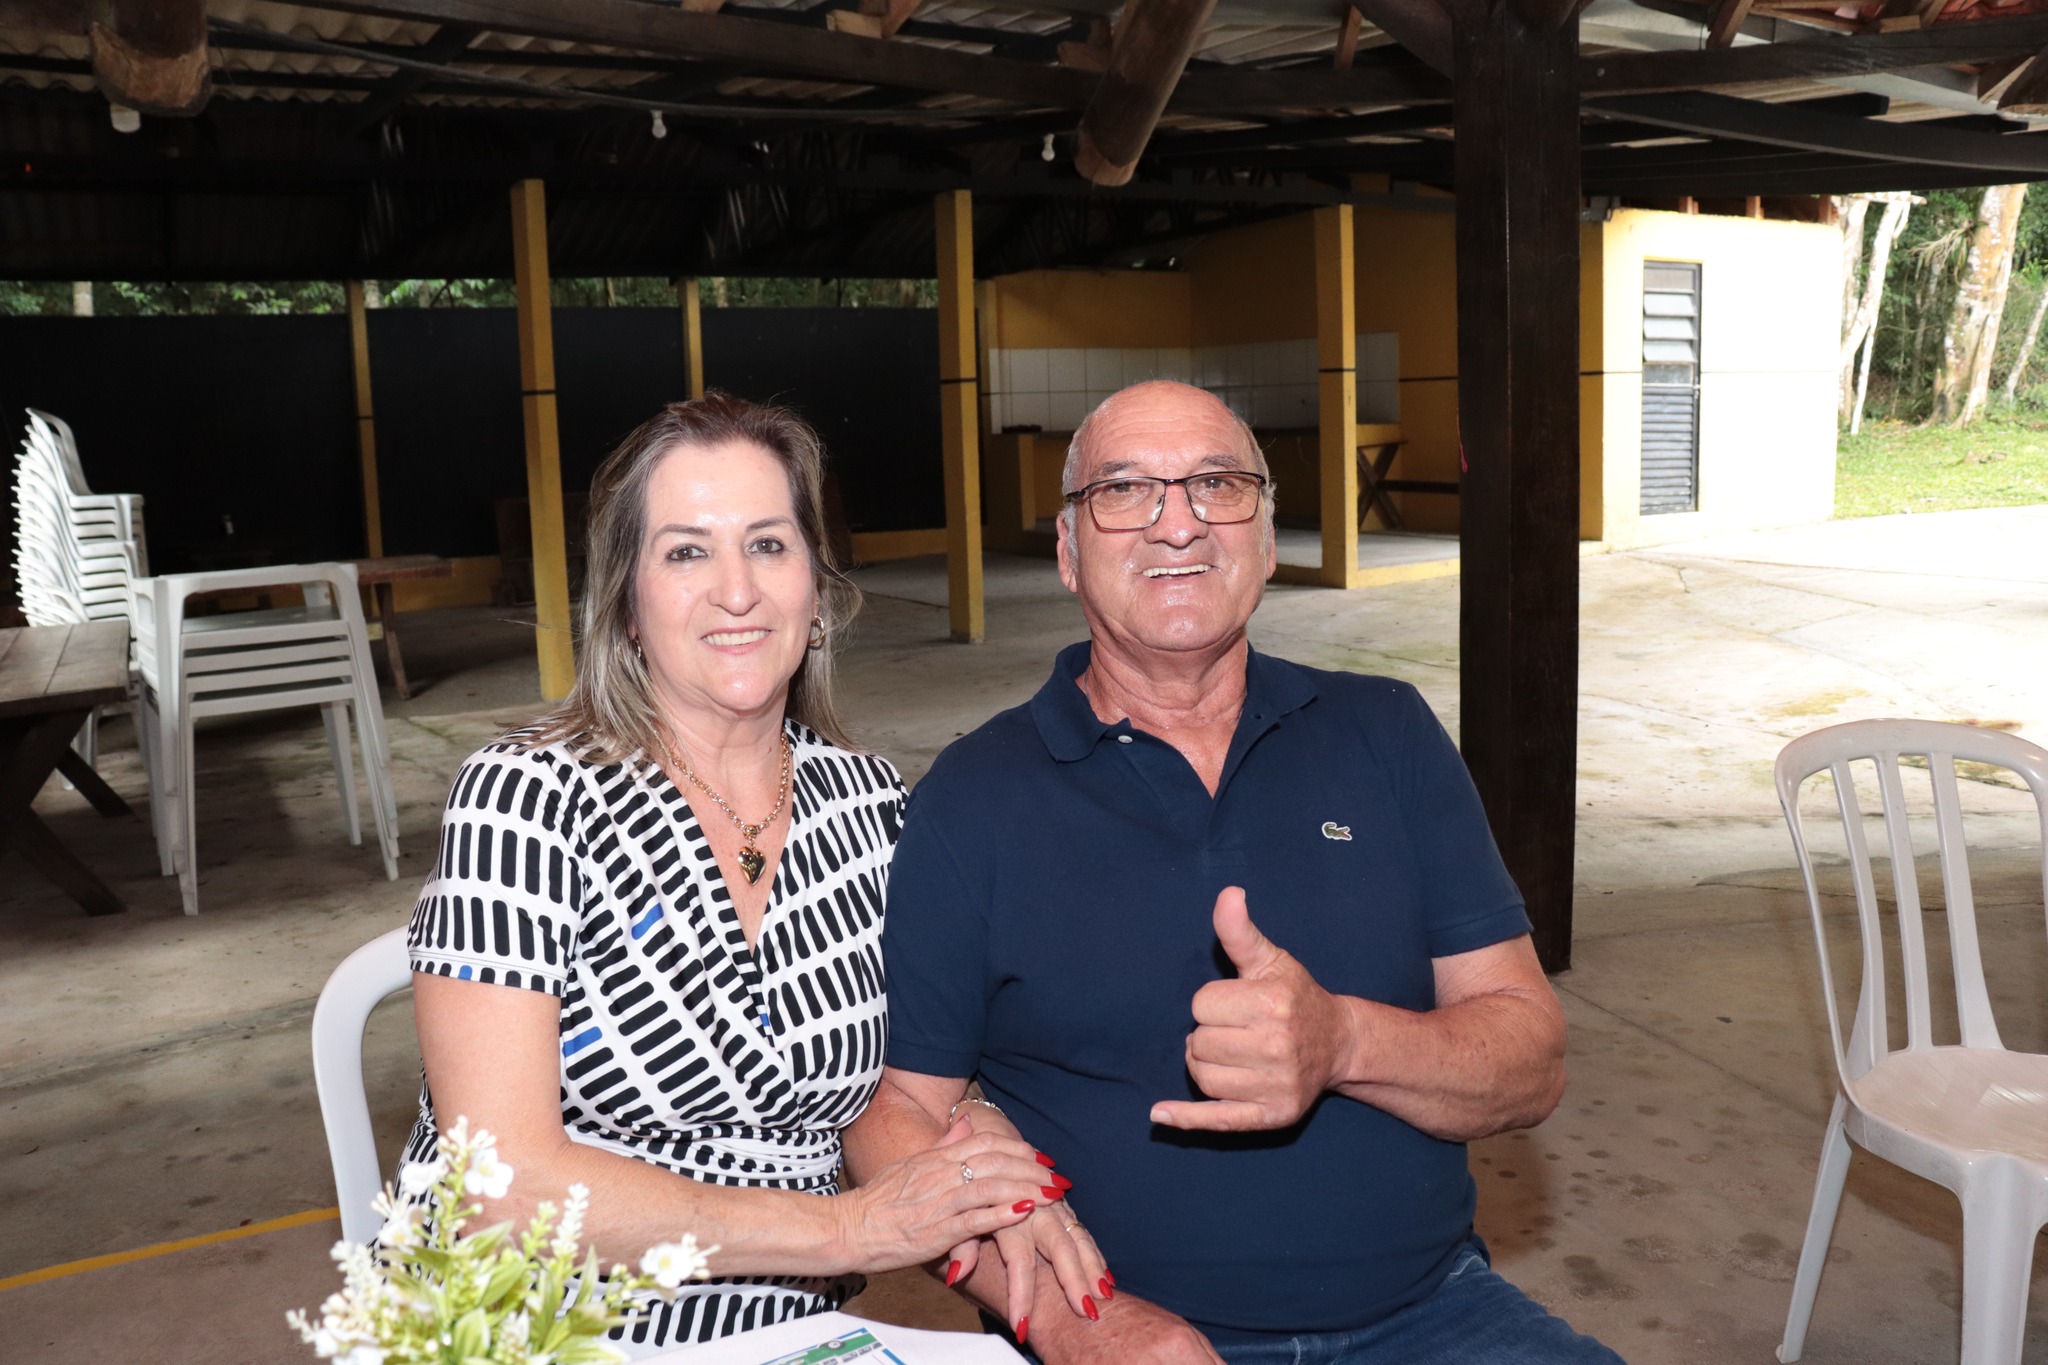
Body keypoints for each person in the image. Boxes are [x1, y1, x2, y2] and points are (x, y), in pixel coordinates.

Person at [844, 381, 1623, 1364]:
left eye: (1216, 484)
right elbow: (893, 1112)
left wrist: (1339, 1040)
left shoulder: (1383, 734)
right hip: (1124, 1327)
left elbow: (1528, 1063)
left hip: (1434, 1313)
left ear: (1261, 534)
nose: (1177, 525)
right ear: (1066, 551)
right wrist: (1063, 1322)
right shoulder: (977, 793)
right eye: (1124, 491)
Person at [401, 395, 1074, 1354]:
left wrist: (988, 1169)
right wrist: (851, 1228)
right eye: (685, 551)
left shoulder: (874, 809)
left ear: (817, 583)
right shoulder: (525, 797)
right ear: (626, 604)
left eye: (768, 544)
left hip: (789, 1335)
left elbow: (913, 1085)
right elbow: (498, 1190)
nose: (737, 591)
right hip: (538, 1327)